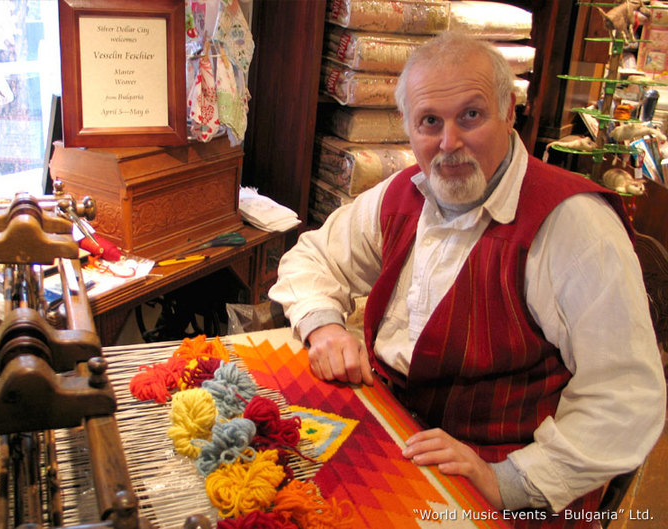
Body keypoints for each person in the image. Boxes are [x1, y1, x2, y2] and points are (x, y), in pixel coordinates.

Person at [269, 32, 665, 524]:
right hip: (392, 429)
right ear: (407, 127)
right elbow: (313, 257)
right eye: (429, 122)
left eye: (470, 116)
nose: (448, 142)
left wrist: (509, 481)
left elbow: (626, 396)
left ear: (509, 112)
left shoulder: (573, 225)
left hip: (499, 472)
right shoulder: (403, 193)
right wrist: (326, 324)